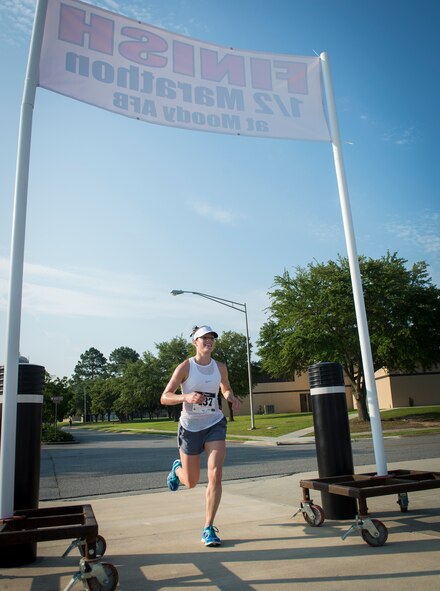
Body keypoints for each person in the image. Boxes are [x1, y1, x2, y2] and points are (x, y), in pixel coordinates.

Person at [160, 325, 241, 547]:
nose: (208, 341)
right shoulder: (185, 367)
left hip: (214, 423)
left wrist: (230, 397)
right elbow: (165, 397)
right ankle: (177, 469)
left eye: (211, 338)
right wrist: (185, 397)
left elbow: (225, 389)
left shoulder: (220, 367)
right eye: (203, 338)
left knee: (215, 474)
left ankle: (208, 527)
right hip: (190, 427)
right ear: (195, 342)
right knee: (192, 482)